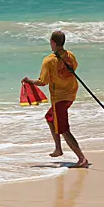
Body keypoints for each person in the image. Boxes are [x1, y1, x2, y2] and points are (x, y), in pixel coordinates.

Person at [23, 31, 89, 168]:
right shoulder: (70, 55)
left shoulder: (49, 60)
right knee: (49, 117)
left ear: (53, 42)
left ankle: (82, 158)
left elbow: (43, 82)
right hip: (71, 93)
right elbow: (74, 66)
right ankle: (58, 148)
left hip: (59, 98)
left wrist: (29, 80)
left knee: (64, 129)